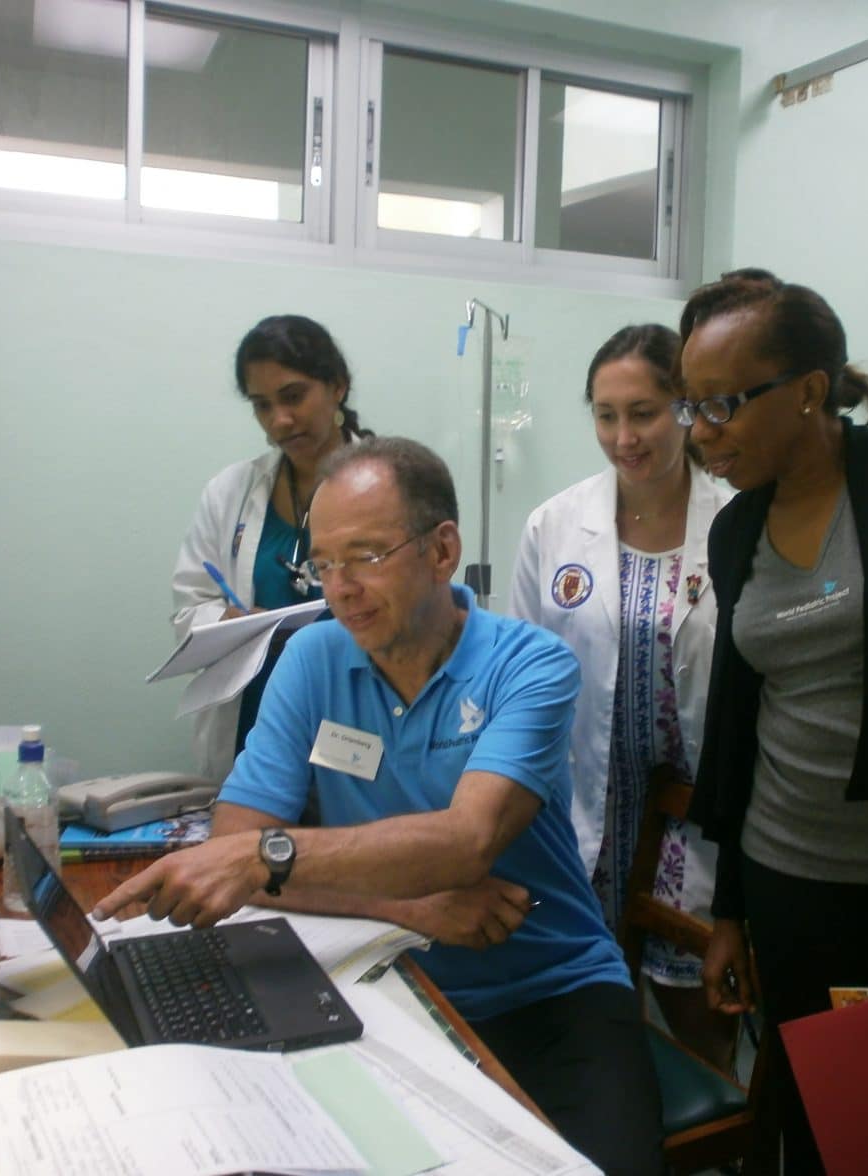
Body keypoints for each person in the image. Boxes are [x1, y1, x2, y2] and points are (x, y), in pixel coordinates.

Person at [102, 437, 665, 1176]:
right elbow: (240, 836)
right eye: (324, 563)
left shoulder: (529, 665)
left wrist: (267, 859)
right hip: (382, 980)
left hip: (551, 990)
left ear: (442, 551)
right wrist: (408, 910)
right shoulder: (311, 657)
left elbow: (465, 841)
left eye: (366, 556)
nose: (341, 587)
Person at [678, 270, 868, 1174]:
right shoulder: (737, 530)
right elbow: (742, 725)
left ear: (811, 390)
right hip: (789, 876)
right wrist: (731, 910)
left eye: (724, 405)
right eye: (690, 407)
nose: (701, 434)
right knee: (814, 1127)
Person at [509, 323, 737, 1067]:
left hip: (699, 816)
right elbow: (518, 671)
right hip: (586, 807)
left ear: (684, 406)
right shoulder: (554, 525)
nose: (623, 436)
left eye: (642, 412)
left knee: (701, 1014)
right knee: (595, 1019)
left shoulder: (737, 517)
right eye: (605, 415)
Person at [170, 315, 373, 783]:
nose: (279, 420)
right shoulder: (232, 492)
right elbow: (189, 610)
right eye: (262, 406)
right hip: (253, 728)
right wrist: (228, 623)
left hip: (357, 722)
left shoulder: (389, 484)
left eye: (293, 396)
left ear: (337, 386)